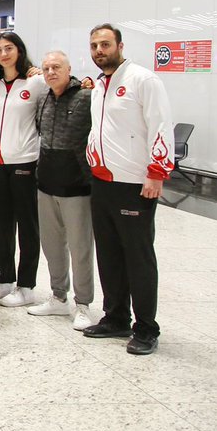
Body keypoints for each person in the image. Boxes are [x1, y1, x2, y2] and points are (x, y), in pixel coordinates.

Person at [82, 24, 173, 356]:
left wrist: (156, 173)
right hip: (103, 182)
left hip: (135, 184)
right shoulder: (100, 85)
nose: (99, 50)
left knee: (138, 256)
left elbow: (160, 124)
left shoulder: (143, 80)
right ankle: (116, 316)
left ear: (119, 45)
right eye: (94, 45)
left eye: (105, 44)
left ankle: (146, 327)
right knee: (109, 254)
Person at [0, 31, 46, 308]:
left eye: (9, 48)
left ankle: (26, 285)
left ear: (19, 50)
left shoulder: (35, 82)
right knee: (1, 223)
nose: (4, 54)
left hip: (24, 162)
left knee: (27, 225)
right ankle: (5, 278)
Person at [31, 50, 95, 331]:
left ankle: (83, 304)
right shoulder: (43, 98)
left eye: (57, 67)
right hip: (46, 182)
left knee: (80, 247)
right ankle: (58, 296)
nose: (51, 72)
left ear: (69, 68)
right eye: (46, 68)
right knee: (52, 244)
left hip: (77, 184)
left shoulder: (85, 96)